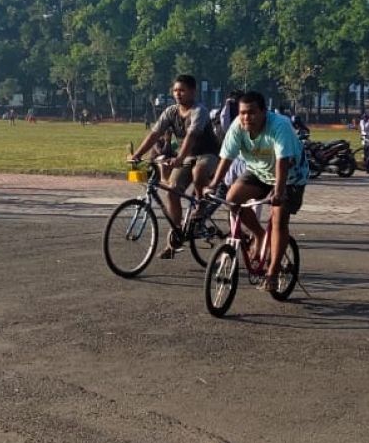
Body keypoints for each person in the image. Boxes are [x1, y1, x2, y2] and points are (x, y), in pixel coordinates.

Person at [207, 91, 309, 293]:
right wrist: (213, 184)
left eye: (252, 112)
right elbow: (226, 158)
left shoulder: (279, 125)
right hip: (259, 171)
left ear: (264, 112)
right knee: (232, 199)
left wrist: (278, 193)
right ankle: (260, 235)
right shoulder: (237, 126)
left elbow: (283, 162)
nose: (247, 117)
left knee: (279, 219)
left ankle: (272, 272)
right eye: (243, 113)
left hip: (290, 176)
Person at [128, 75, 219, 259]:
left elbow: (191, 138)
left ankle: (201, 205)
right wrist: (137, 155)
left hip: (207, 154)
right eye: (176, 90)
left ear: (193, 91)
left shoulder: (198, 111)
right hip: (186, 156)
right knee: (171, 190)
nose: (178, 94)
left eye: (183, 90)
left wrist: (178, 158)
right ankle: (176, 235)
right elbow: (154, 134)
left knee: (199, 171)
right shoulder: (170, 112)